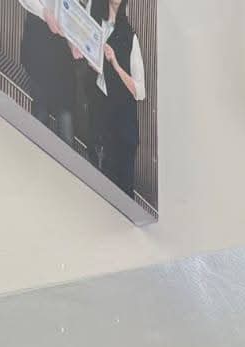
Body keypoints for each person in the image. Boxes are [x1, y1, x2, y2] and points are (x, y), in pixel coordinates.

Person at [91, 0, 146, 200]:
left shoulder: (130, 36)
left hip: (124, 128)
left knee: (124, 191)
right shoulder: (97, 25)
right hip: (104, 122)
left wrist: (115, 64)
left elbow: (140, 91)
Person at [19, 0, 75, 145]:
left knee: (64, 116)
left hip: (62, 55)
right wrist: (44, 13)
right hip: (39, 46)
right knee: (41, 113)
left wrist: (73, 42)